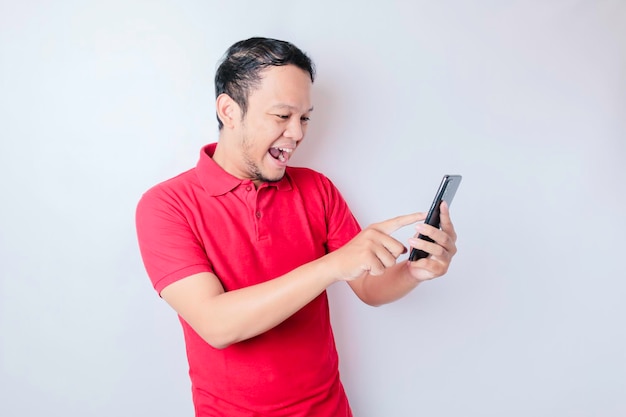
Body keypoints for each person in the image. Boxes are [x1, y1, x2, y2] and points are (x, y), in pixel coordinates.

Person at [135, 37, 457, 417]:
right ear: (229, 111)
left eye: (304, 117)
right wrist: (332, 265)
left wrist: (413, 271)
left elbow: (370, 287)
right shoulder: (166, 205)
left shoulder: (317, 189)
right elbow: (216, 324)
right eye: (282, 116)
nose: (297, 133)